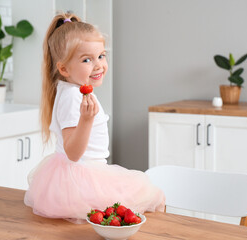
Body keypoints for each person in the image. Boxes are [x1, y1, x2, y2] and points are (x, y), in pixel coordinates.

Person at [24, 12, 165, 224]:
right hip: (82, 177)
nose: (98, 65)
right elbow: (73, 153)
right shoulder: (73, 97)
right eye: (86, 60)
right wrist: (86, 120)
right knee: (154, 197)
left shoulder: (73, 90)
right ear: (63, 68)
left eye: (101, 55)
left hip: (74, 176)